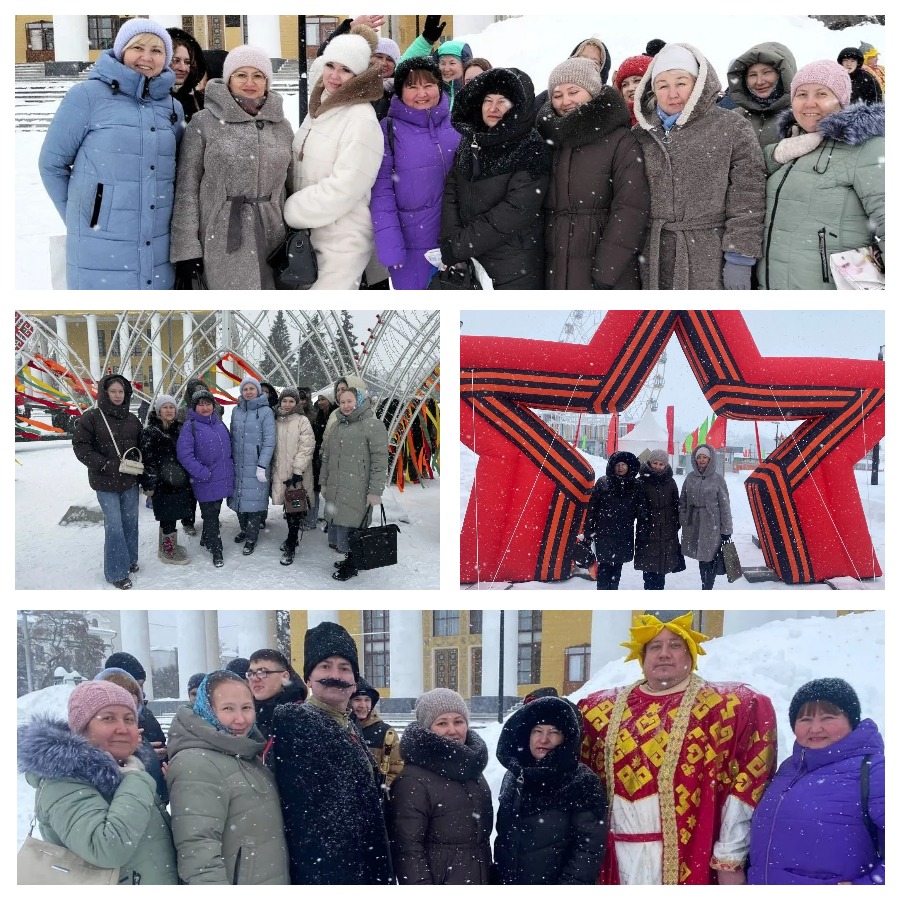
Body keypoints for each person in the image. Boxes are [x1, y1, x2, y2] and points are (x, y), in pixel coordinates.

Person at [578, 613, 777, 884]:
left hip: (688, 857)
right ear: (642, 656)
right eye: (655, 647)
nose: (664, 654)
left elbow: (746, 783)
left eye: (675, 645)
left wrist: (730, 855)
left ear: (690, 656)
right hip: (614, 862)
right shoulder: (597, 710)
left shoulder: (727, 708)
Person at [38, 18, 182, 289]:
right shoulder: (87, 96)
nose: (146, 57)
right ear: (120, 51)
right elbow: (51, 164)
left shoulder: (172, 107)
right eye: (137, 47)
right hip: (99, 248)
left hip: (158, 246)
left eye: (157, 50)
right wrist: (86, 219)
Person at [633, 43, 766, 289]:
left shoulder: (731, 127)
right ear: (652, 90)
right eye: (663, 85)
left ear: (698, 84)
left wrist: (739, 257)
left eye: (681, 83)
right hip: (651, 254)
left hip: (709, 253)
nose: (672, 93)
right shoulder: (640, 134)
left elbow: (748, 194)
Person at [17, 680, 177, 884]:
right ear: (81, 728)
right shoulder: (63, 782)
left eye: (129, 719)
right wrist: (136, 778)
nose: (123, 728)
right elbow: (107, 848)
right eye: (108, 718)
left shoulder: (124, 768)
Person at [272, 621, 392, 884]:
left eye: (344, 668)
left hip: (362, 866)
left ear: (354, 680)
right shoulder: (295, 722)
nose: (335, 675)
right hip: (329, 872)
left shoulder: (348, 722)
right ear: (308, 678)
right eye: (325, 666)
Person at [171, 45, 294, 290]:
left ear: (267, 81)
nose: (250, 82)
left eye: (258, 75)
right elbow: (186, 190)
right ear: (228, 80)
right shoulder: (203, 123)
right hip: (222, 236)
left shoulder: (282, 126)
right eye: (241, 75)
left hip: (274, 237)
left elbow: (291, 186)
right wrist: (187, 250)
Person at [759, 60, 885, 291]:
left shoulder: (868, 149)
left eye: (822, 94)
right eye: (801, 94)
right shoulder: (789, 146)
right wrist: (774, 156)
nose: (809, 103)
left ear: (842, 100)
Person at [748, 678, 884, 885]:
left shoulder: (875, 770)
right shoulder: (789, 768)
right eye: (805, 719)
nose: (815, 728)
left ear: (851, 720)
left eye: (828, 717)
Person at [285, 24, 384, 289]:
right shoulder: (321, 107)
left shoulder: (360, 117)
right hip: (308, 234)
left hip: (341, 240)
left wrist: (292, 209)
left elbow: (346, 186)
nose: (334, 76)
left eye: (346, 70)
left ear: (359, 76)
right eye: (331, 65)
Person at [166, 671, 290, 884]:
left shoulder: (244, 753)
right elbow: (198, 853)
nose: (240, 719)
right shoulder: (196, 763)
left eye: (246, 708)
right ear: (207, 710)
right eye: (227, 709)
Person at [539, 58, 650, 289]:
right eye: (557, 95)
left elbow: (631, 208)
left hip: (606, 273)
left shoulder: (621, 140)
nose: (565, 101)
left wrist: (605, 272)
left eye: (573, 91)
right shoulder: (547, 140)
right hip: (556, 269)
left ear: (591, 92)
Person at [440, 68, 551, 289]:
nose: (493, 108)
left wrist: (461, 245)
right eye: (488, 100)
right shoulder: (471, 139)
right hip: (472, 259)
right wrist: (455, 241)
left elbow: (517, 209)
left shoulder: (531, 146)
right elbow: (452, 190)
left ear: (517, 106)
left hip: (513, 265)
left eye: (502, 101)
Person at [494, 695, 606, 884]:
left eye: (554, 732)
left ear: (565, 738)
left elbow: (588, 851)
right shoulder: (514, 776)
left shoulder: (582, 781)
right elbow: (505, 839)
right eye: (537, 731)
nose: (544, 739)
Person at [370, 57, 461, 290]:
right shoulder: (388, 129)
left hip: (456, 242)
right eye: (412, 86)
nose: (422, 93)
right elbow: (382, 193)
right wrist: (391, 247)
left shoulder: (457, 124)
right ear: (400, 91)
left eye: (428, 85)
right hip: (412, 247)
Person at [388, 688, 493, 885]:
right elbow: (408, 850)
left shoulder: (472, 770)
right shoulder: (412, 780)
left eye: (459, 721)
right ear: (427, 728)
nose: (453, 731)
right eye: (442, 723)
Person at [72, 374, 143, 589]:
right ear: (105, 393)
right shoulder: (91, 418)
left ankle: (129, 560)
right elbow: (81, 446)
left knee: (130, 523)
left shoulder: (132, 420)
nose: (118, 395)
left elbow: (142, 447)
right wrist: (103, 464)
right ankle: (116, 572)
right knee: (114, 526)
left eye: (121, 392)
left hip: (129, 481)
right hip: (105, 482)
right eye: (113, 391)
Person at [320, 385, 389, 581]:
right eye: (342, 402)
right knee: (342, 524)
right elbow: (327, 457)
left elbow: (380, 461)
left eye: (349, 401)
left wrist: (375, 490)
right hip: (337, 486)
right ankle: (350, 558)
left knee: (355, 527)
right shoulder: (337, 426)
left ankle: (353, 563)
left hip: (358, 488)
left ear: (358, 401)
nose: (346, 405)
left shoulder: (372, 425)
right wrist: (324, 482)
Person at [176, 388, 235, 567]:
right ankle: (217, 550)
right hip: (205, 480)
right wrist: (203, 473)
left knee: (214, 513)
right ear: (194, 407)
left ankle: (206, 539)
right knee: (211, 516)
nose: (205, 408)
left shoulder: (218, 422)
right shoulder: (190, 426)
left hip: (221, 478)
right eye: (200, 405)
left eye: (208, 403)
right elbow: (184, 455)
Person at [94, 667, 168, 804]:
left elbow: (157, 791)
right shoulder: (81, 762)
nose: (130, 698)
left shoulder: (142, 733)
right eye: (109, 718)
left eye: (134, 693)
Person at [140, 394, 192, 565]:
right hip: (162, 483)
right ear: (158, 410)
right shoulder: (151, 431)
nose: (169, 410)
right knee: (167, 516)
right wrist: (150, 484)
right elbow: (148, 460)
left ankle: (166, 547)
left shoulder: (179, 428)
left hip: (178, 481)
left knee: (172, 515)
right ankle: (168, 552)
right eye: (165, 407)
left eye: (172, 407)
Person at [228, 376, 275, 556]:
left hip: (256, 465)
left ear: (258, 391)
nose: (248, 392)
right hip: (239, 464)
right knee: (239, 500)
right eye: (245, 389)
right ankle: (244, 530)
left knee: (254, 503)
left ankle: (252, 537)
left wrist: (262, 464)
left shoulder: (265, 412)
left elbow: (269, 441)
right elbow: (233, 436)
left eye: (252, 389)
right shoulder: (236, 411)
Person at [585, 450, 642, 590]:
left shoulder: (635, 486)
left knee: (617, 569)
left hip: (624, 535)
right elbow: (592, 509)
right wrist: (588, 532)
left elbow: (641, 512)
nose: (620, 467)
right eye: (617, 464)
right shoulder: (603, 483)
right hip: (604, 534)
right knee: (604, 569)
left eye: (623, 464)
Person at [270, 387, 315, 565]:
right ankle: (292, 537)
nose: (287, 404)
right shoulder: (275, 420)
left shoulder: (302, 421)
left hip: (298, 475)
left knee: (295, 509)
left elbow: (307, 446)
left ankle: (291, 543)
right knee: (288, 509)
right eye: (284, 401)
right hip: (281, 472)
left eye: (291, 401)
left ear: (296, 403)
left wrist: (297, 471)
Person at [679, 443, 732, 590]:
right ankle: (705, 584)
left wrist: (726, 530)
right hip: (694, 524)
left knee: (709, 559)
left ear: (710, 459)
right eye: (699, 457)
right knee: (701, 558)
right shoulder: (690, 478)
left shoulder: (718, 479)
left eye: (705, 457)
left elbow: (725, 506)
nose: (702, 460)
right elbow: (682, 500)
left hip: (711, 525)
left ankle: (707, 587)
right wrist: (684, 518)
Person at [724, 43, 798, 148]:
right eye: (753, 75)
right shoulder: (733, 118)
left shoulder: (801, 116)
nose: (759, 82)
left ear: (783, 75)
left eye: (767, 72)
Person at [176, 377, 223, 537]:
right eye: (194, 390)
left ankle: (209, 518)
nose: (198, 393)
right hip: (191, 459)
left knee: (210, 494)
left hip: (208, 458)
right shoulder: (183, 413)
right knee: (190, 495)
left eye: (201, 389)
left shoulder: (215, 409)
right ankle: (188, 522)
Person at [103, 652, 168, 763]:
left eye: (141, 685)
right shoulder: (96, 717)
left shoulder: (146, 716)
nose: (140, 692)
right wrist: (136, 753)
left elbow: (161, 750)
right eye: (134, 686)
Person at [634, 448, 685, 589]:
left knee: (661, 570)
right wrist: (645, 516)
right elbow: (636, 505)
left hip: (666, 532)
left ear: (665, 465)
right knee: (649, 571)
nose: (657, 466)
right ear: (650, 463)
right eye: (655, 463)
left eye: (661, 464)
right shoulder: (641, 482)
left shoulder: (670, 482)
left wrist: (676, 523)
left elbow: (676, 504)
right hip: (648, 532)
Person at [533, 36, 612, 112]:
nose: (585, 65)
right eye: (581, 58)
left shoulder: (608, 107)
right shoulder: (545, 99)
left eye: (594, 63)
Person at [349, 678, 403, 787]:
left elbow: (397, 769)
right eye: (357, 699)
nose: (363, 705)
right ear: (348, 702)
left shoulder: (387, 733)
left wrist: (378, 789)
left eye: (367, 700)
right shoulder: (340, 729)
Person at [247, 649, 307, 739]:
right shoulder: (246, 717)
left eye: (263, 672)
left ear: (285, 677)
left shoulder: (302, 719)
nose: (254, 679)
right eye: (251, 673)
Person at [167, 26, 207, 121]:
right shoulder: (147, 98)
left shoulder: (198, 101)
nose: (183, 68)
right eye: (176, 60)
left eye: (187, 62)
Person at [612, 54, 653, 126]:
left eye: (637, 81)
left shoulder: (668, 118)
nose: (630, 88)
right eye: (625, 85)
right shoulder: (616, 124)